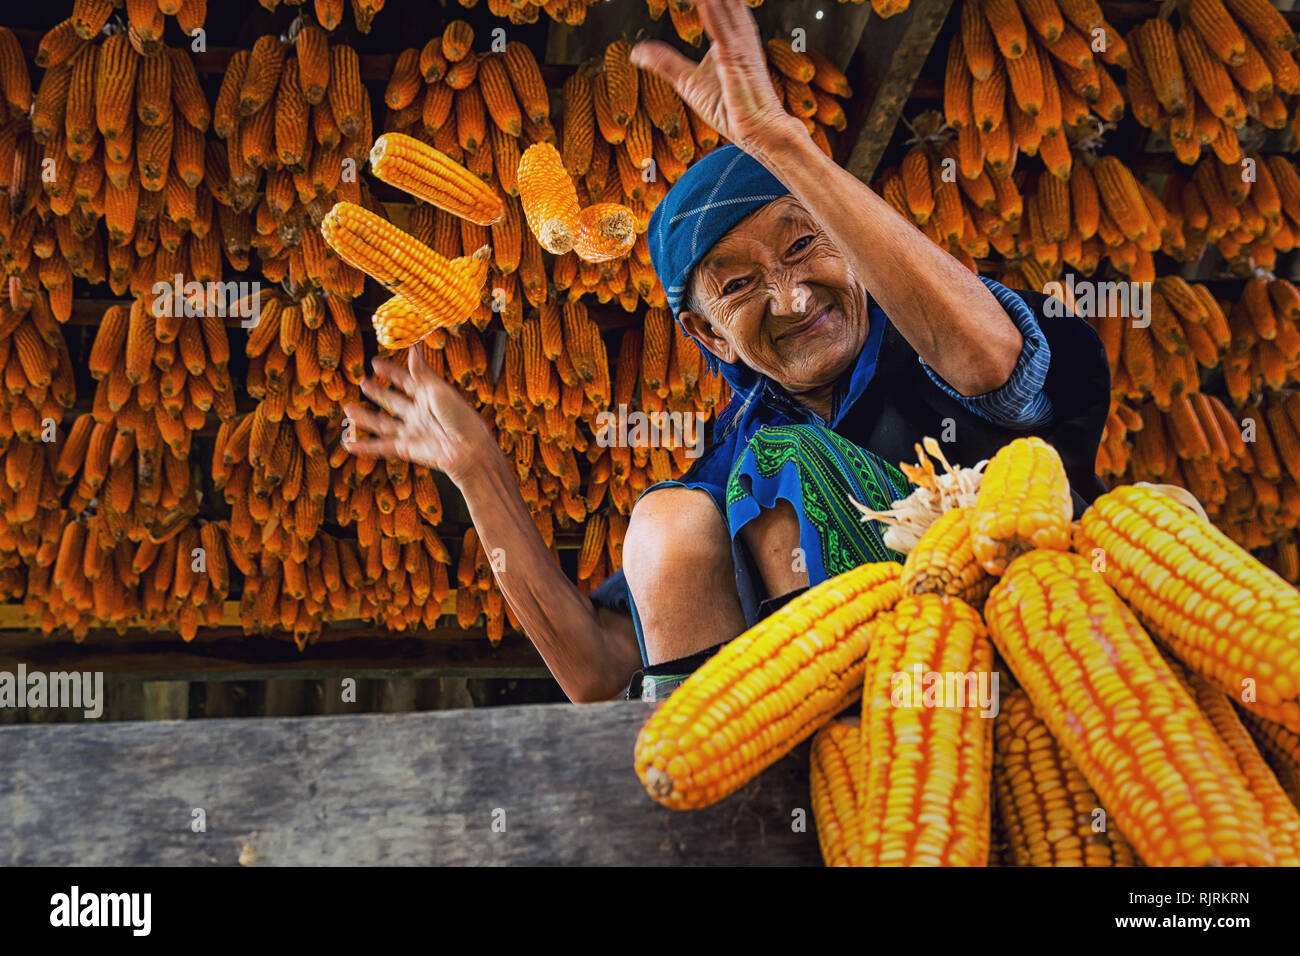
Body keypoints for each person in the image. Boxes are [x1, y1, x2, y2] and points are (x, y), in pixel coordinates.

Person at [342, 0, 1110, 703]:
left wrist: (784, 147)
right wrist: (478, 468)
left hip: (1036, 667)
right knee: (668, 519)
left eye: (806, 243)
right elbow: (603, 671)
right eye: (739, 285)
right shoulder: (737, 452)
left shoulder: (932, 331)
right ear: (709, 335)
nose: (792, 297)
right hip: (859, 742)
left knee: (788, 461)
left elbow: (990, 362)